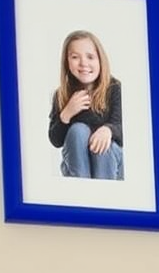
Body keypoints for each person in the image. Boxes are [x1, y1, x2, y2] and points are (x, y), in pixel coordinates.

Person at [48, 29, 124, 181]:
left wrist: (108, 130)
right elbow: (55, 140)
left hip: (110, 163)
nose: (83, 63)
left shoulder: (115, 88)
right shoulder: (62, 94)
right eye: (75, 57)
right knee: (78, 130)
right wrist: (66, 114)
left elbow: (126, 129)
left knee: (103, 145)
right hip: (78, 167)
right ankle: (82, 188)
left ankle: (104, 194)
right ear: (67, 62)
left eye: (90, 57)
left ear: (100, 60)